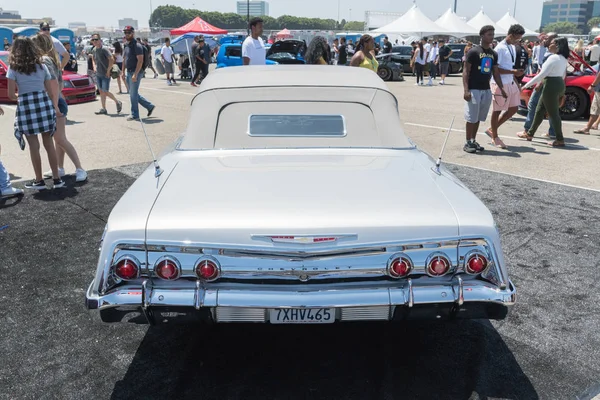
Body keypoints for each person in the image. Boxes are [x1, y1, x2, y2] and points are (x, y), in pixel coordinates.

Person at [7, 37, 64, 190]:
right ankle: (57, 179)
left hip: (26, 106)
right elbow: (50, 91)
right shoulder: (41, 66)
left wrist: (23, 96)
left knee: (34, 146)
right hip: (43, 103)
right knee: (49, 143)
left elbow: (11, 95)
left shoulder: (13, 67)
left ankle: (39, 181)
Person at [33, 34, 87, 183]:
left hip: (55, 103)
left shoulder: (44, 60)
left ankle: (80, 169)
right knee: (58, 139)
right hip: (57, 101)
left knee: (60, 139)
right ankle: (60, 168)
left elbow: (54, 85)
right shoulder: (52, 60)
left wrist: (54, 104)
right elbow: (59, 83)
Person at [519, 37, 569, 147]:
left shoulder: (553, 58)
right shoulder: (563, 59)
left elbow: (541, 74)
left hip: (551, 85)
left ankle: (560, 139)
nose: (548, 45)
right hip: (558, 84)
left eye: (551, 43)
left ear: (557, 45)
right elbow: (563, 75)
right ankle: (530, 134)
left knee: (553, 114)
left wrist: (525, 86)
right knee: (540, 110)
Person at [462, 25, 505, 154]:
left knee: (479, 118)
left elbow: (496, 73)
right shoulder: (473, 52)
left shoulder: (493, 54)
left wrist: (502, 89)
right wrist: (466, 90)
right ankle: (467, 142)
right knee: (471, 118)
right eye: (489, 34)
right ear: (482, 36)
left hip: (486, 89)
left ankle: (473, 140)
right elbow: (466, 71)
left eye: (493, 34)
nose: (492, 37)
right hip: (474, 89)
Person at [485, 24, 525, 149]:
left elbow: (510, 67)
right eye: (517, 38)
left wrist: (517, 82)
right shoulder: (500, 48)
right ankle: (495, 137)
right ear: (511, 35)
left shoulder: (511, 47)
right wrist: (513, 72)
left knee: (513, 109)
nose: (518, 41)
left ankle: (492, 129)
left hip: (511, 82)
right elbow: (495, 69)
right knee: (497, 110)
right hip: (499, 82)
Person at [517, 33, 558, 139]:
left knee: (532, 105)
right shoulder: (557, 54)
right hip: (553, 84)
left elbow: (543, 73)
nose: (544, 39)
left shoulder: (549, 55)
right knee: (550, 109)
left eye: (547, 38)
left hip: (544, 83)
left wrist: (537, 84)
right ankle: (553, 132)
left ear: (553, 41)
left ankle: (528, 130)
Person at [121, 26, 156, 121]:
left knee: (132, 94)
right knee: (133, 93)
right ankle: (149, 106)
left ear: (133, 33)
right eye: (125, 32)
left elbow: (140, 61)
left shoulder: (137, 46)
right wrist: (122, 71)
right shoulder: (126, 45)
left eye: (128, 32)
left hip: (136, 72)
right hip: (129, 72)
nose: (126, 34)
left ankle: (135, 114)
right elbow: (124, 59)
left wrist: (135, 74)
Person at [91, 33, 122, 115]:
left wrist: (108, 71)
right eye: (93, 40)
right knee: (101, 91)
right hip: (98, 73)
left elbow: (111, 59)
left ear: (100, 40)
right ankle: (103, 108)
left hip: (105, 74)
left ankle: (117, 102)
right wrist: (94, 67)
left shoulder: (104, 49)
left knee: (105, 91)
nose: (94, 41)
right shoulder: (94, 49)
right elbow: (93, 59)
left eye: (96, 39)